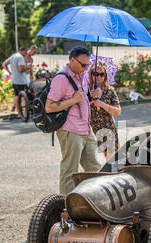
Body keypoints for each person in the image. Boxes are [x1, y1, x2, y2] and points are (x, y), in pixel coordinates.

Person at [45, 46, 102, 196]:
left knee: (95, 168)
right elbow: (49, 107)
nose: (85, 68)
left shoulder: (82, 77)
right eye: (82, 65)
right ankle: (66, 208)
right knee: (70, 170)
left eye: (87, 65)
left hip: (85, 129)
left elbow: (82, 101)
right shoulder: (61, 79)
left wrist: (92, 96)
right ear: (72, 60)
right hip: (70, 130)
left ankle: (94, 202)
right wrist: (72, 100)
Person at [88, 60, 121, 160]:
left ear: (105, 75)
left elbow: (118, 111)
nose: (98, 77)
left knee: (111, 161)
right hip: (90, 129)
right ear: (91, 74)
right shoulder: (85, 89)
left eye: (101, 74)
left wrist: (102, 105)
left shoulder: (109, 90)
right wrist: (91, 99)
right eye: (95, 74)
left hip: (107, 129)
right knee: (91, 162)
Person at [2, 46, 32, 116]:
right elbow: (21, 69)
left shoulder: (13, 56)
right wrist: (28, 67)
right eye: (25, 52)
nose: (26, 53)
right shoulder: (20, 57)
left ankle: (19, 113)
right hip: (21, 80)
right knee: (24, 97)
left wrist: (9, 72)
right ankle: (24, 113)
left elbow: (4, 64)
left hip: (14, 79)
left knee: (16, 96)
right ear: (23, 51)